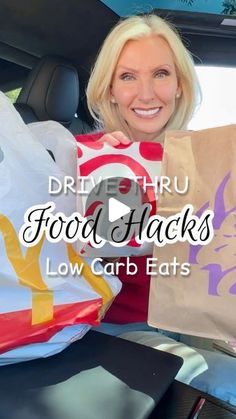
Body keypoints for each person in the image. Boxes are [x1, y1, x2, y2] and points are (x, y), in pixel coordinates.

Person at [76, 14, 236, 406]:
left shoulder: (207, 159)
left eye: (161, 73)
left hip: (193, 319)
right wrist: (106, 176)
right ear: (110, 90)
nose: (146, 94)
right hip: (114, 328)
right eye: (128, 76)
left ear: (180, 85)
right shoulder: (83, 158)